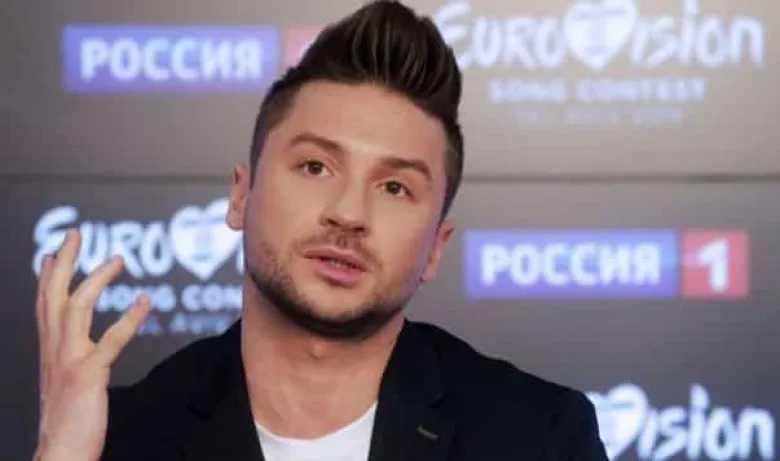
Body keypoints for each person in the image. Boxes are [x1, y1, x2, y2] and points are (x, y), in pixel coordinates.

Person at [32, 1, 609, 460]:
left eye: (395, 187)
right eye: (315, 167)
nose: (349, 213)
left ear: (436, 247)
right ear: (241, 196)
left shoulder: (538, 436)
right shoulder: (118, 437)